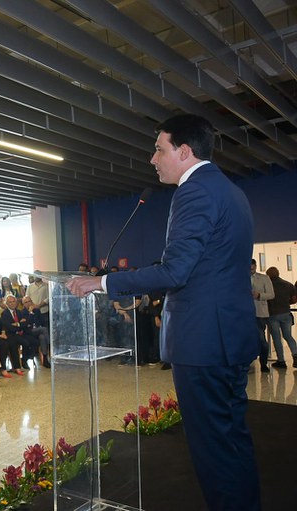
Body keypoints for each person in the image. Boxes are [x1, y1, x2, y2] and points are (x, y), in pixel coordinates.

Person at [66, 113, 261, 510]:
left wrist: (101, 283)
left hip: (204, 344)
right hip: (227, 339)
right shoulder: (230, 191)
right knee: (231, 444)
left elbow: (175, 271)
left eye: (159, 149)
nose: (153, 159)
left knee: (213, 452)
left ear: (184, 152)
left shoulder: (194, 193)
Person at [265, 266, 297, 368]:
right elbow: (294, 299)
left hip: (272, 314)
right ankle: (295, 356)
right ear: (278, 273)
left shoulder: (267, 286)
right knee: (288, 336)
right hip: (286, 313)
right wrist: (287, 303)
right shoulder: (288, 284)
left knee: (277, 338)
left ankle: (281, 361)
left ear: (268, 275)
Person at [250, 259, 274, 372]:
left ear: (255, 265)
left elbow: (271, 294)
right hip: (245, 313)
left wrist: (259, 295)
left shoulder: (264, 278)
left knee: (261, 339)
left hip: (259, 312)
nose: (250, 268)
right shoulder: (240, 278)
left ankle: (263, 362)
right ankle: (248, 363)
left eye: (252, 265)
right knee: (247, 339)